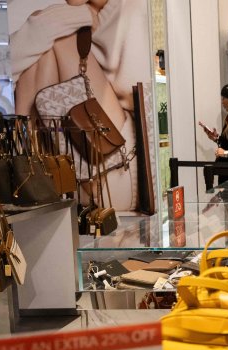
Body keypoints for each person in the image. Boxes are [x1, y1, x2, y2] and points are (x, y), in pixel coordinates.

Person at [11, 0, 151, 211]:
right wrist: (75, 17)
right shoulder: (76, 17)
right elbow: (3, 71)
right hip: (75, 169)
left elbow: (143, 94)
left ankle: (21, 167)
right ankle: (26, 168)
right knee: (44, 47)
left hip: (119, 167)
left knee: (58, 40)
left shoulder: (133, 8)